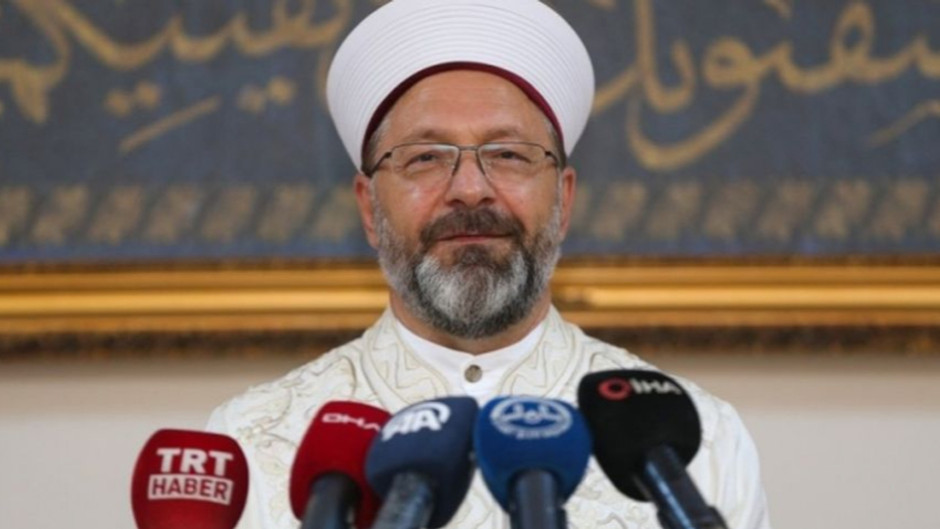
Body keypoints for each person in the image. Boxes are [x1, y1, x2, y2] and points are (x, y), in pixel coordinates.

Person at [207, 1, 772, 528]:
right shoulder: (253, 443)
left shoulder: (696, 444)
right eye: (426, 158)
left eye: (507, 155)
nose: (471, 189)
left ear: (564, 200)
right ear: (369, 209)